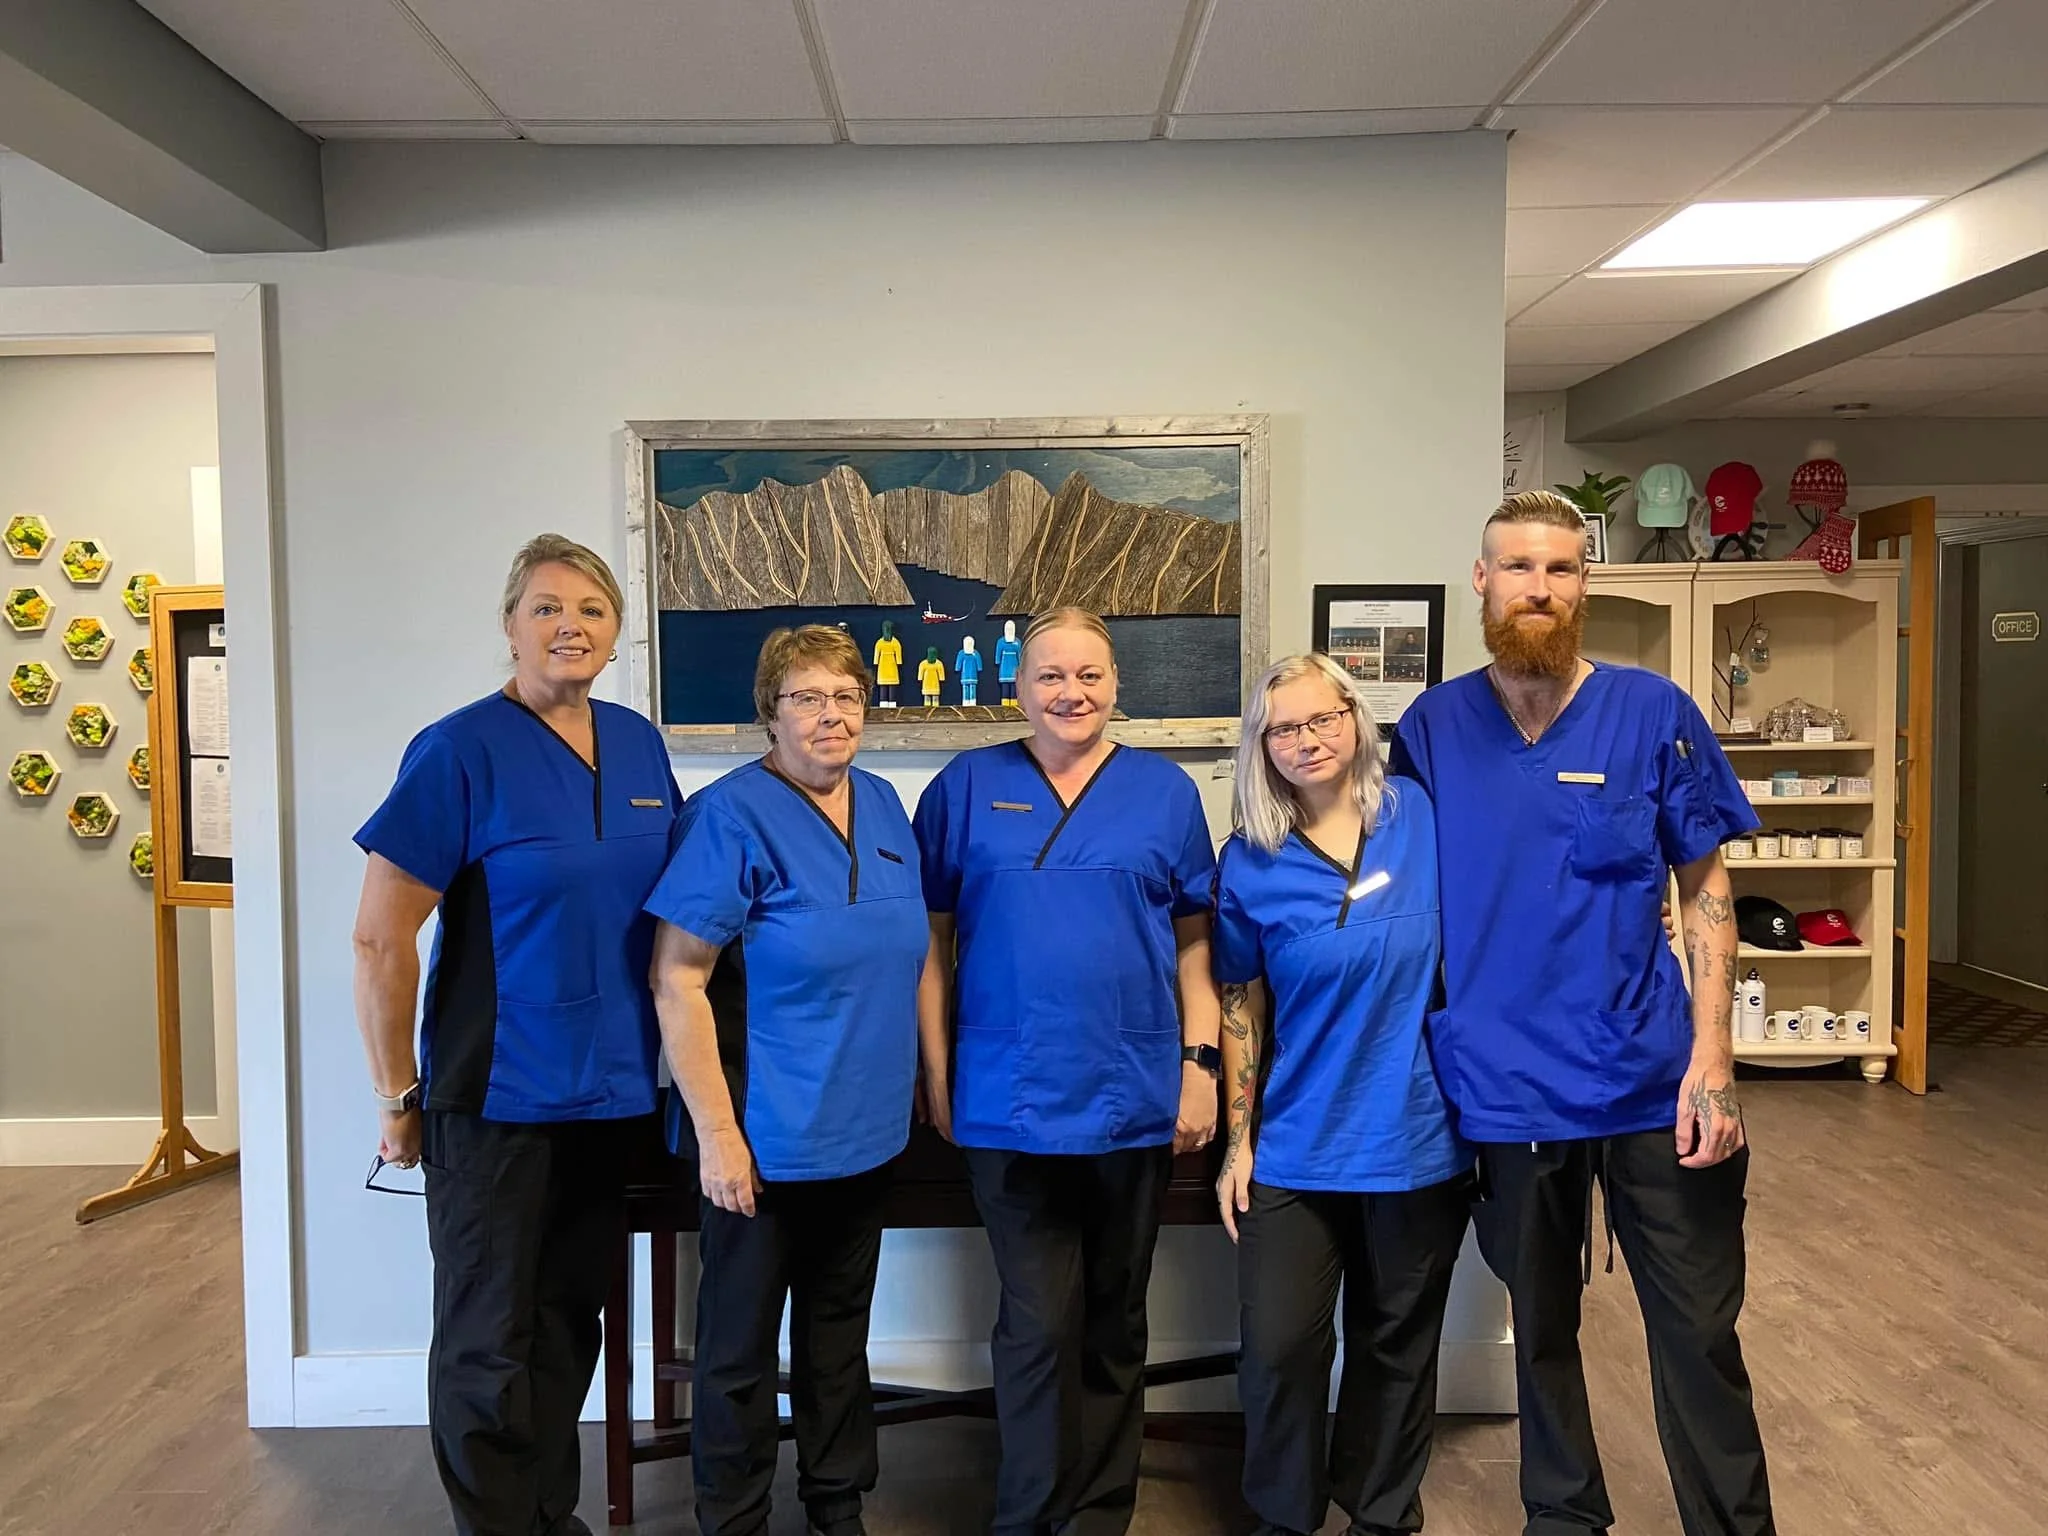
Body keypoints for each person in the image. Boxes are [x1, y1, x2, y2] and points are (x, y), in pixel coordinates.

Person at [1391, 491, 1774, 1536]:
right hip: (1501, 1083)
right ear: (1480, 581)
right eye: (1517, 567)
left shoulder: (1652, 714)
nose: (1538, 588)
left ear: (1583, 586)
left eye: (1559, 569)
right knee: (1541, 1322)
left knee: (1695, 1329)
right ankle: (1561, 1515)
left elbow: (1704, 888)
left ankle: (1732, 1527)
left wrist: (1712, 1060)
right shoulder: (1430, 729)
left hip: (1650, 1077)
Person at [350, 534, 680, 1536]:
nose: (568, 626)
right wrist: (396, 1097)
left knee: (565, 1323)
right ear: (508, 626)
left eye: (588, 608)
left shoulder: (637, 745)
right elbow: (379, 938)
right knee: (486, 1338)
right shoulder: (456, 750)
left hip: (612, 1094)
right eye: (544, 607)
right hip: (492, 1092)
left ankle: (549, 1516)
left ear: (615, 631)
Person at [914, 606, 1222, 1536]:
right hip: (1006, 1096)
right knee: (1036, 1321)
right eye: (1050, 675)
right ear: (1018, 686)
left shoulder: (1164, 793)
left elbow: (1194, 939)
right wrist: (937, 1072)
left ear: (1116, 684)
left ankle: (1099, 1513)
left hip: (1134, 1093)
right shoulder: (966, 786)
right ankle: (1029, 1515)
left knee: (1116, 1317)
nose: (1070, 693)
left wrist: (1199, 1062)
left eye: (1089, 675)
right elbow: (930, 940)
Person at [646, 624, 927, 1536]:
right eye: (807, 698)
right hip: (761, 1138)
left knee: (839, 1335)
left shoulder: (885, 805)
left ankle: (836, 1506)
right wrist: (719, 1137)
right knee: (736, 1347)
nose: (831, 716)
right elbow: (677, 977)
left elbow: (914, 955)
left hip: (868, 1128)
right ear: (770, 713)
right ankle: (733, 1518)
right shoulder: (729, 816)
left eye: (846, 697)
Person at [1213, 654, 1472, 1536]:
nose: (1306, 740)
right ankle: (1284, 1515)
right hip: (1296, 1143)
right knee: (1279, 1349)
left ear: (1357, 720)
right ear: (1261, 746)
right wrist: (1239, 1143)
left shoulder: (1422, 820)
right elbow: (1241, 1001)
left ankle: (1381, 1513)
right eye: (1283, 728)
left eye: (1322, 719)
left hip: (1417, 1138)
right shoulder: (1249, 862)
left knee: (1395, 1345)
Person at [873, 619, 902, 708]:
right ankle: (884, 705)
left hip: (886, 666)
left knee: (890, 686)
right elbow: (877, 656)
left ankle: (891, 704)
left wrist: (898, 661)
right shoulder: (889, 642)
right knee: (884, 686)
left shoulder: (891, 642)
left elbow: (898, 657)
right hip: (887, 666)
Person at [995, 618, 1022, 705]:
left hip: (1014, 668)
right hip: (1004, 669)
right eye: (1008, 629)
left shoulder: (1017, 642)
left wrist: (1021, 663)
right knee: (1005, 688)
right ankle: (1005, 706)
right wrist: (997, 660)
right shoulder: (1001, 642)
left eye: (1011, 629)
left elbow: (1020, 655)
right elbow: (998, 654)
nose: (1009, 630)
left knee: (1014, 688)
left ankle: (1014, 705)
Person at [956, 634, 983, 706]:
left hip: (972, 675)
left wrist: (979, 668)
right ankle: (965, 702)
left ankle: (972, 702)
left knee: (972, 689)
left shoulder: (975, 653)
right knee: (965, 689)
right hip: (966, 676)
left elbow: (979, 663)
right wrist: (957, 668)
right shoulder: (962, 653)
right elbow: (958, 663)